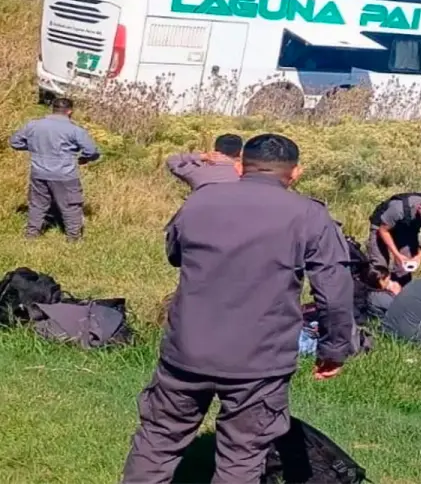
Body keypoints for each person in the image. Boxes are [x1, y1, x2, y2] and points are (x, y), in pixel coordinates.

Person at [121, 134, 355, 484]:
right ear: (296, 173)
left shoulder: (201, 200)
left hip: (187, 350)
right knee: (241, 457)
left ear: (239, 166)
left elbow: (175, 254)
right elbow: (334, 291)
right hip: (259, 359)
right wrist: (334, 349)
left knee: (158, 441)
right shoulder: (310, 215)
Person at [9, 97, 101, 242]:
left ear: (53, 109)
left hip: (38, 172)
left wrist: (34, 147)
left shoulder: (33, 125)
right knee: (71, 205)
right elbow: (92, 151)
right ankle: (73, 238)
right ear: (69, 111)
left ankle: (31, 235)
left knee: (37, 205)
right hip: (65, 175)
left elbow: (14, 142)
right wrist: (84, 158)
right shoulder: (75, 130)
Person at [367, 192, 421, 285]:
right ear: (420, 208)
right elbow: (383, 231)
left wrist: (419, 256)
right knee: (379, 266)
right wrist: (397, 255)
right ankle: (376, 294)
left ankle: (400, 293)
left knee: (405, 267)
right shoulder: (398, 208)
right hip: (381, 226)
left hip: (407, 229)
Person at [165, 133, 242, 190]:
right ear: (239, 152)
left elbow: (173, 160)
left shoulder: (198, 169)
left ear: (216, 149)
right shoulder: (246, 172)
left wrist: (202, 156)